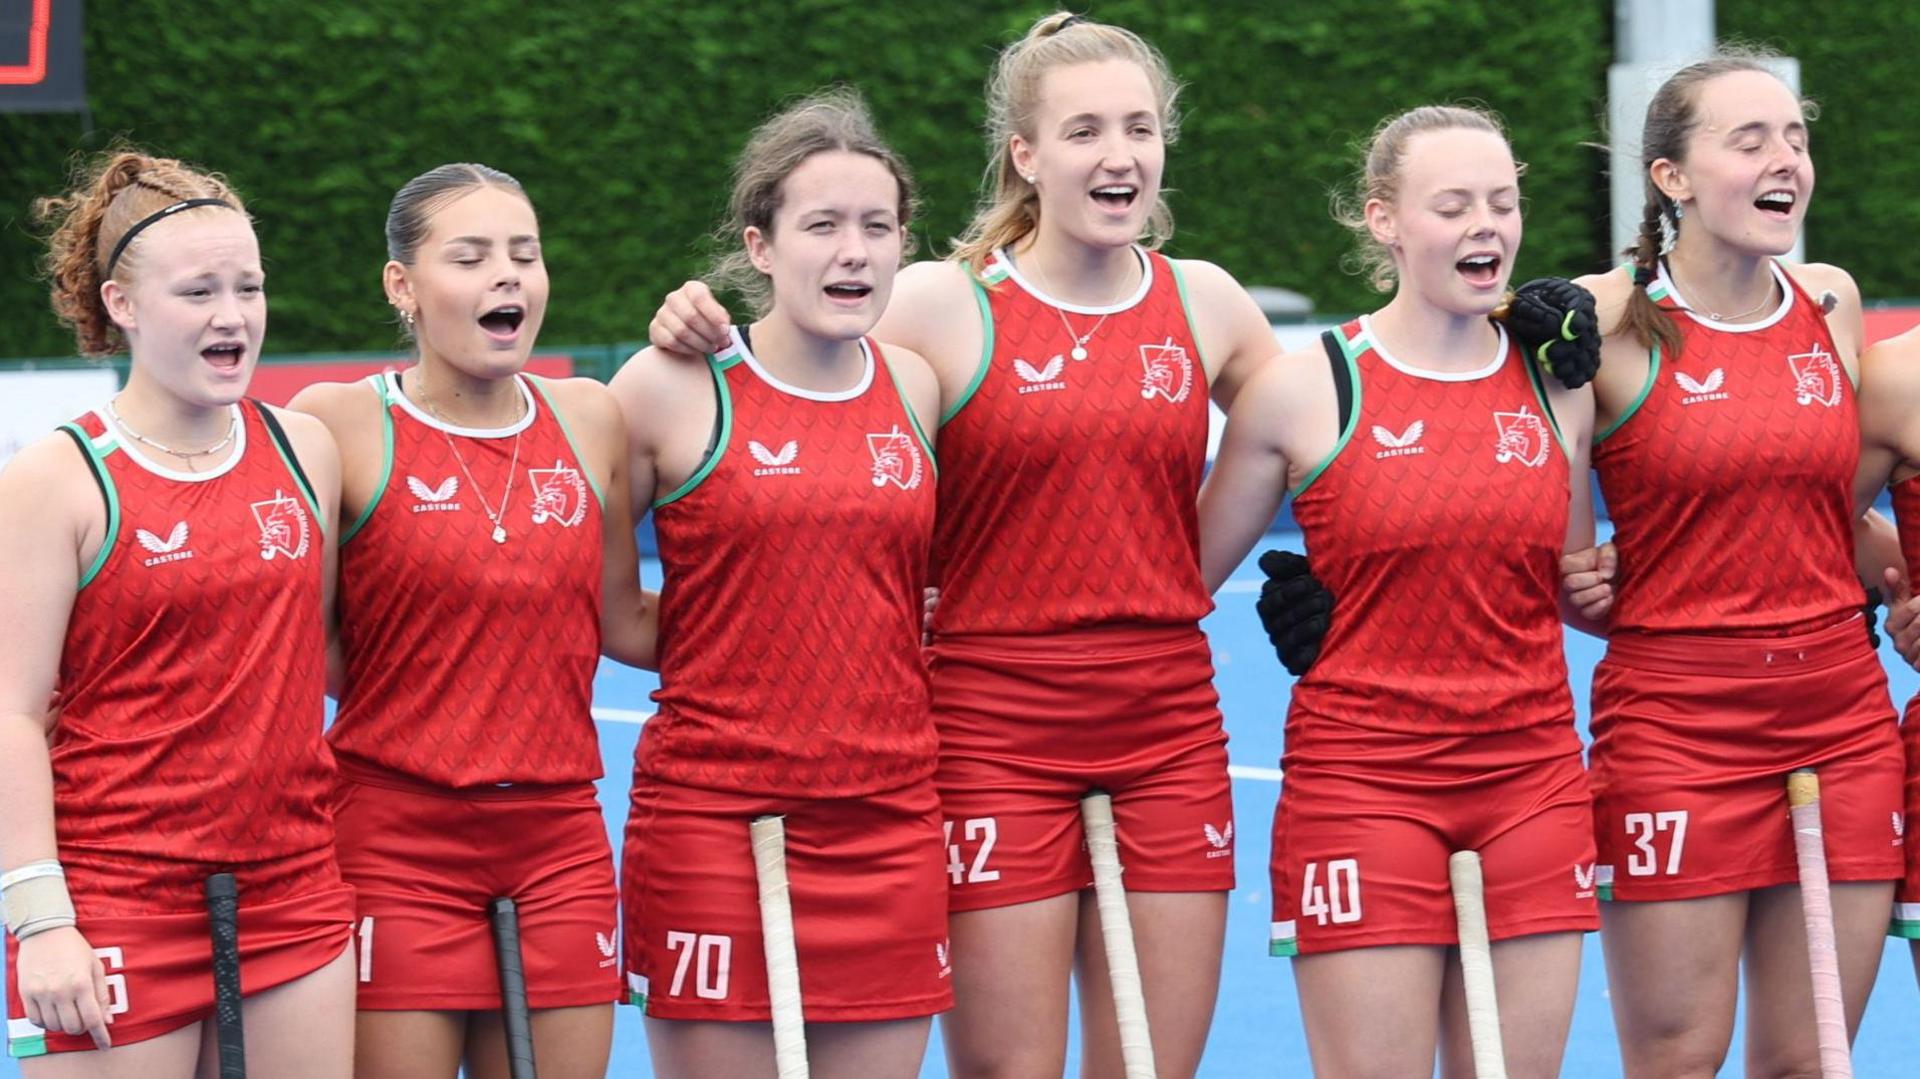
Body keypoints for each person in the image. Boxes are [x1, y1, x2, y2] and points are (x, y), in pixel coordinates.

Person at [646, 15, 1286, 1077]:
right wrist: (693, 319)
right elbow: (794, 366)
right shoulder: (938, 307)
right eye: (1083, 131)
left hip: (1167, 722)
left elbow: (1318, 427)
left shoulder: (1206, 301)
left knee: (1153, 1064)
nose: (1117, 154)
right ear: (1026, 156)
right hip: (990, 723)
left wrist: (1512, 319)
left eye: (1139, 127)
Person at [1198, 105, 1599, 1077]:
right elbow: (1171, 580)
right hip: (1363, 785)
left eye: (1503, 202)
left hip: (1532, 780)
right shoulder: (1306, 388)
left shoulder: (1564, 379)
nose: (1486, 226)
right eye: (1453, 204)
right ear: (1383, 219)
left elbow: (1581, 581)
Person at [1558, 54, 1904, 1077]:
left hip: (1842, 715)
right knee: (1677, 1055)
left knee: (1810, 1056)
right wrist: (1584, 577)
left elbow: (1839, 511)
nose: (1784, 158)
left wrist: (1905, 582)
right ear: (1672, 177)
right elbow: (1547, 542)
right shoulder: (1601, 320)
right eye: (1748, 140)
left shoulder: (1830, 303)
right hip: (1675, 725)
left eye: (1794, 138)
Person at [607, 89, 948, 1079]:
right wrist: (746, 639)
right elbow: (606, 612)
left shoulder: (917, 385)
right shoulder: (668, 386)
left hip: (889, 819)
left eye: (877, 226)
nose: (854, 250)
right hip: (718, 820)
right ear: (759, 246)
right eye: (822, 225)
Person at [289, 163, 648, 1079]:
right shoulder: (335, 426)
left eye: (525, 254)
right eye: (472, 256)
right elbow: (307, 645)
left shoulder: (591, 418)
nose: (508, 276)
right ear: (401, 286)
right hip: (394, 842)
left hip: (561, 843)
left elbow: (625, 622)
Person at [0, 149, 354, 1075]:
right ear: (121, 305)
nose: (232, 315)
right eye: (198, 291)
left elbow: (315, 649)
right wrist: (41, 918)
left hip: (294, 891)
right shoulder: (56, 479)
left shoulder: (305, 451)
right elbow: (9, 714)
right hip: (120, 899)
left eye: (249, 286)